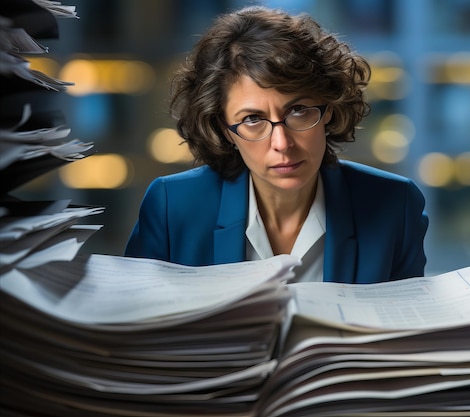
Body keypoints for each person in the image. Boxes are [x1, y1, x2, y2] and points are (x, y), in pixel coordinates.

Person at [125, 6, 428, 283]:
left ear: (329, 109)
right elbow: (136, 331)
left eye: (298, 111)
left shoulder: (394, 206)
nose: (282, 143)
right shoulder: (171, 206)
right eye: (253, 119)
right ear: (225, 128)